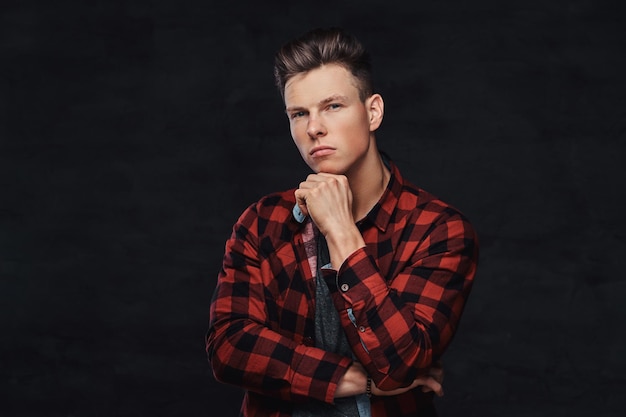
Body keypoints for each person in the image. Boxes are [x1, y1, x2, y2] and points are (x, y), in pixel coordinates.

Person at [206, 27, 479, 417]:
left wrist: (341, 231)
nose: (313, 127)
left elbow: (401, 362)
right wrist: (354, 381)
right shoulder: (262, 222)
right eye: (299, 113)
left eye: (332, 106)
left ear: (373, 112)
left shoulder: (439, 230)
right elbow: (229, 347)